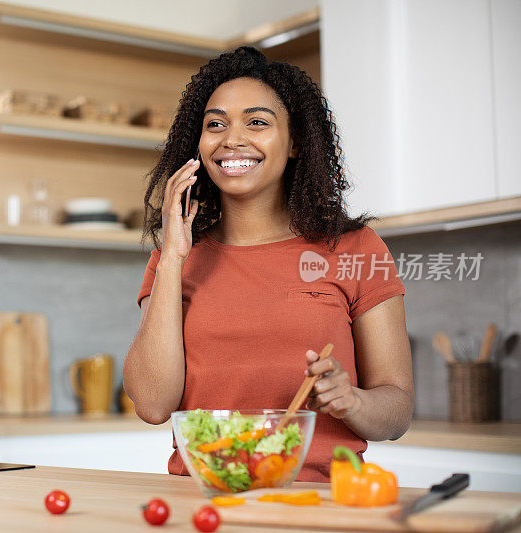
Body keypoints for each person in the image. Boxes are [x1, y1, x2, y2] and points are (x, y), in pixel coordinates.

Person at [122, 46, 413, 482]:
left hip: (321, 505)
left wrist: (352, 400)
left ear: (295, 141)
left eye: (257, 122)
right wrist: (173, 258)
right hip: (205, 503)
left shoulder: (355, 249)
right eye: (215, 124)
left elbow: (398, 410)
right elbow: (151, 404)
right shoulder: (175, 258)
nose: (231, 138)